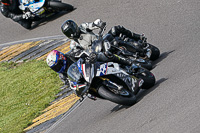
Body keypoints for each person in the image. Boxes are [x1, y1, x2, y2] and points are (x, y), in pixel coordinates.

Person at [46, 49, 143, 96]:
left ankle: (130, 63)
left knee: (105, 55)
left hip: (92, 65)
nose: (58, 68)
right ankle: (113, 92)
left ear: (62, 58)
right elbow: (70, 84)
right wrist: (77, 90)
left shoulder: (71, 55)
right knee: (89, 94)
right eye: (55, 68)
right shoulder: (62, 75)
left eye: (58, 65)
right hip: (85, 80)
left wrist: (91, 55)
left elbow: (84, 52)